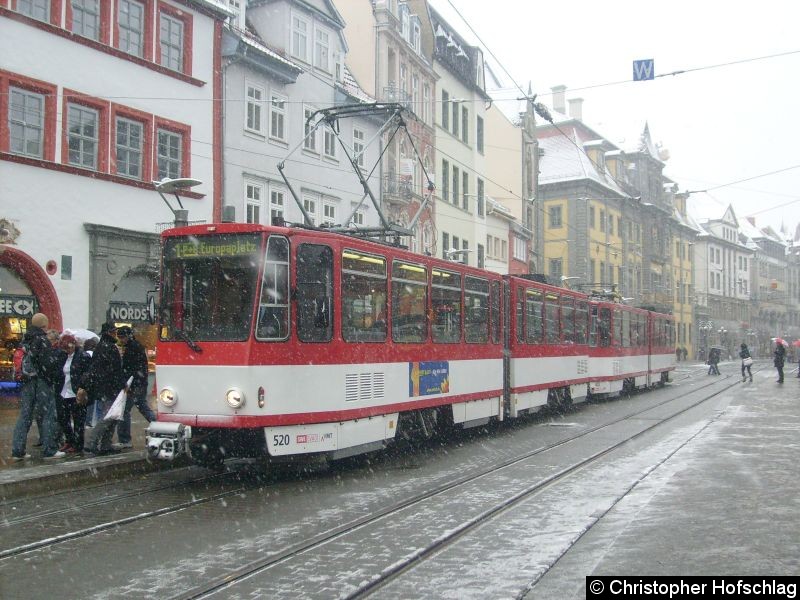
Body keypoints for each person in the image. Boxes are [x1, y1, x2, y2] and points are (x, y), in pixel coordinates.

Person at [10, 313, 65, 460]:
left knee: (25, 415)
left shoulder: (24, 340)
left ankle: (18, 450)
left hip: (27, 381)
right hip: (42, 381)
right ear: (44, 325)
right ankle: (50, 449)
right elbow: (48, 363)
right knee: (47, 414)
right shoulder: (42, 339)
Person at [78, 323, 125, 455]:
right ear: (109, 332)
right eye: (114, 331)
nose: (115, 334)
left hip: (103, 387)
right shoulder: (110, 348)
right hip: (110, 387)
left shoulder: (100, 346)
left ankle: (105, 444)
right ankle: (92, 442)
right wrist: (122, 384)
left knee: (111, 416)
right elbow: (115, 370)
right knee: (108, 417)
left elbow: (97, 368)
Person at [115, 326, 155, 449]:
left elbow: (129, 368)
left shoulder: (131, 348)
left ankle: (125, 439)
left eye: (122, 337)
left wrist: (127, 383)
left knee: (125, 410)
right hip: (139, 383)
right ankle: (158, 425)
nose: (121, 340)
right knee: (142, 406)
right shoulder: (137, 346)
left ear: (127, 336)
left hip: (133, 384)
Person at [53, 334, 92, 453]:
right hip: (64, 392)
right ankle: (69, 440)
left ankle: (77, 444)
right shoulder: (62, 356)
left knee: (78, 420)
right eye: (65, 349)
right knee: (62, 418)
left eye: (69, 348)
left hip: (76, 392)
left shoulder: (83, 356)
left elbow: (88, 373)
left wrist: (83, 387)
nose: (67, 351)